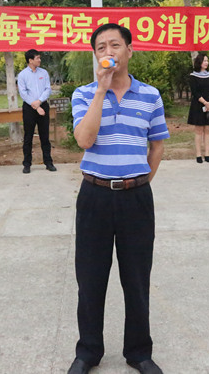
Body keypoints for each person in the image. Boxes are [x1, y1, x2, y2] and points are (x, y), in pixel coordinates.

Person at [68, 23, 169, 374]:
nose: (108, 52)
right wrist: (101, 89)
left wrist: (138, 182)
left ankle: (139, 352)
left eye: (115, 45)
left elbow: (157, 146)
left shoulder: (150, 95)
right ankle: (88, 351)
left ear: (129, 50)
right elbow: (84, 139)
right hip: (94, 197)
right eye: (101, 47)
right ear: (95, 54)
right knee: (90, 279)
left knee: (137, 279)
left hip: (136, 199)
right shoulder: (83, 94)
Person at [17, 48, 56, 173]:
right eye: (37, 58)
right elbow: (23, 93)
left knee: (45, 136)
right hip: (29, 108)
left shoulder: (44, 73)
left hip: (43, 105)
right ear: (30, 60)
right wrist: (36, 106)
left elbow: (48, 89)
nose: (40, 60)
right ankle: (27, 164)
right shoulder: (22, 75)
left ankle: (48, 162)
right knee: (28, 136)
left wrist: (39, 102)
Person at [187, 52, 209, 163]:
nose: (206, 63)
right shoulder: (193, 76)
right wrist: (205, 103)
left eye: (207, 61)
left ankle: (207, 154)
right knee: (199, 130)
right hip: (198, 105)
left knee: (208, 129)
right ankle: (198, 155)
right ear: (199, 62)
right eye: (204, 61)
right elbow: (195, 92)